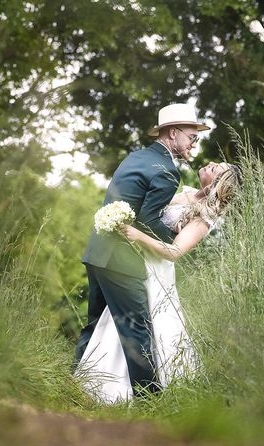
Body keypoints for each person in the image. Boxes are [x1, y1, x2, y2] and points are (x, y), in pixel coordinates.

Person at [75, 161, 242, 403]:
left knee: (150, 323)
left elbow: (175, 251)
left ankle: (137, 392)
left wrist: (135, 234)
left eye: (217, 168)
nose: (211, 164)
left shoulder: (204, 217)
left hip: (156, 271)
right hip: (133, 261)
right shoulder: (184, 193)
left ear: (217, 184)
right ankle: (97, 382)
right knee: (117, 318)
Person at [75, 103, 210, 396]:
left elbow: (133, 205)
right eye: (191, 137)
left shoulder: (137, 157)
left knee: (95, 326)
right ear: (173, 133)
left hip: (98, 251)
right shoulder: (166, 171)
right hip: (122, 260)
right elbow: (148, 222)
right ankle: (149, 398)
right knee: (138, 330)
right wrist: (176, 233)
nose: (193, 144)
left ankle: (75, 384)